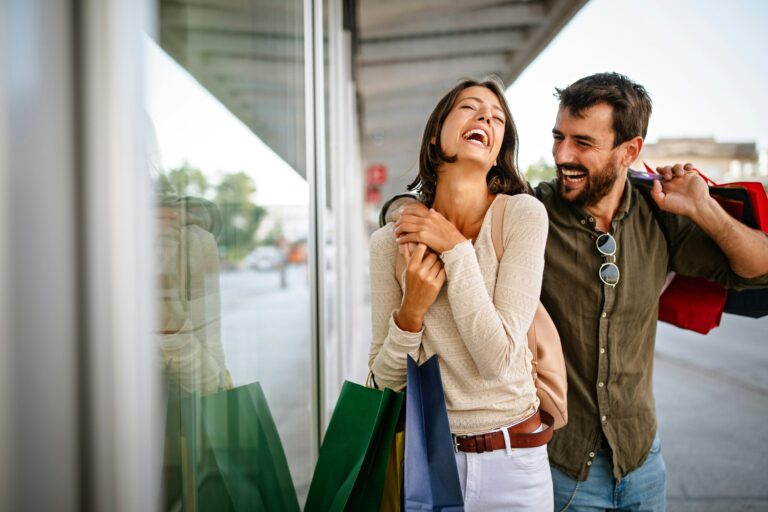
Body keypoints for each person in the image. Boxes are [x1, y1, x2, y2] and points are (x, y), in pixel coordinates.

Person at [381, 72, 768, 511]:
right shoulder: (533, 210)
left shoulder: (659, 219)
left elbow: (757, 270)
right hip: (560, 468)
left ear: (630, 151)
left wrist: (703, 209)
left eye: (583, 143)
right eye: (558, 137)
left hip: (641, 462)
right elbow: (462, 197)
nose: (563, 154)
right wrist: (406, 210)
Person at [368, 77, 554, 511]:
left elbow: (497, 360)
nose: (486, 117)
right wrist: (411, 312)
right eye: (470, 108)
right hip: (430, 461)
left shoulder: (522, 216)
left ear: (500, 147)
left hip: (516, 462)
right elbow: (384, 382)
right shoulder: (388, 244)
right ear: (436, 136)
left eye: (497, 117)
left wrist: (455, 249)